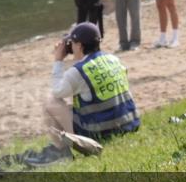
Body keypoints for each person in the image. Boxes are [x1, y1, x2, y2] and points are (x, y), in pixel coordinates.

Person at [37, 22, 140, 165]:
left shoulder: (79, 71)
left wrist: (58, 60)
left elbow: (57, 91)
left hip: (101, 131)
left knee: (50, 101)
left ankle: (62, 151)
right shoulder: (113, 59)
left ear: (79, 46)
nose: (70, 47)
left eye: (72, 43)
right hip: (129, 124)